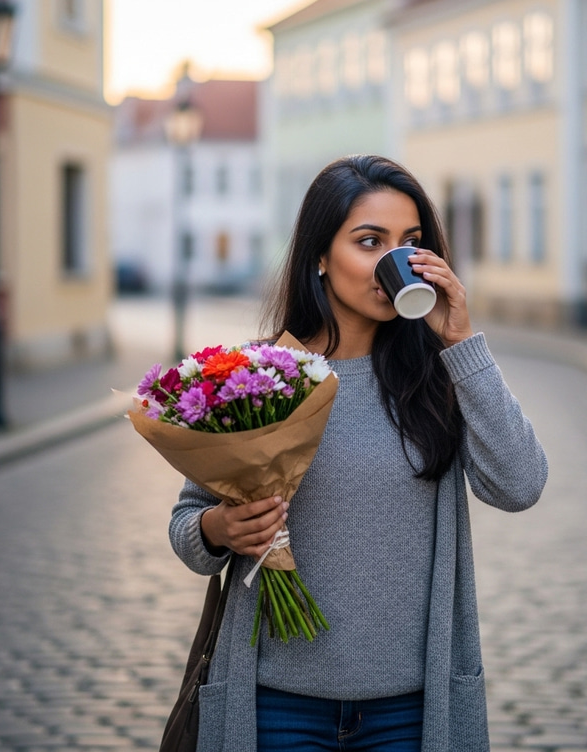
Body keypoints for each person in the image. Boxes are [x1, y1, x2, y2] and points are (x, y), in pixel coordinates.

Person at [169, 154, 548, 752]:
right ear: (320, 256)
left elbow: (521, 484)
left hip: (411, 711)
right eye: (370, 241)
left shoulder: (441, 376)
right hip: (277, 705)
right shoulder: (263, 374)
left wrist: (460, 344)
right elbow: (188, 529)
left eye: (411, 243)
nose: (393, 263)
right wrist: (221, 528)